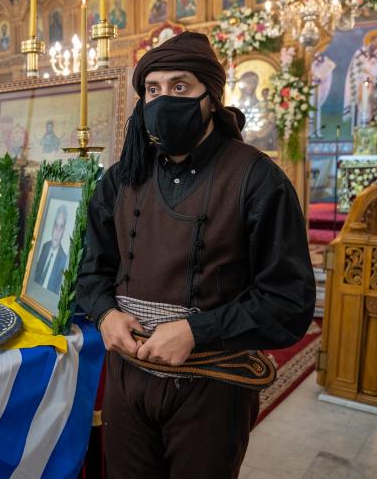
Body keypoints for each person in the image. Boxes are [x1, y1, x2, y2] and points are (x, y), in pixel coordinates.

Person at [76, 32, 315, 478]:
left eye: (180, 87)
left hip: (212, 388)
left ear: (211, 96)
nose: (164, 98)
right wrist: (106, 313)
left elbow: (289, 302)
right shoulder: (120, 178)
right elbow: (91, 272)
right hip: (127, 382)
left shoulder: (258, 179)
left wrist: (195, 331)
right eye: (153, 89)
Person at [32, 205, 68, 294]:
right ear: (52, 226)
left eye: (61, 226)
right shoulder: (45, 247)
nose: (57, 231)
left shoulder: (64, 259)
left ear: (63, 230)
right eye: (56, 225)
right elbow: (36, 275)